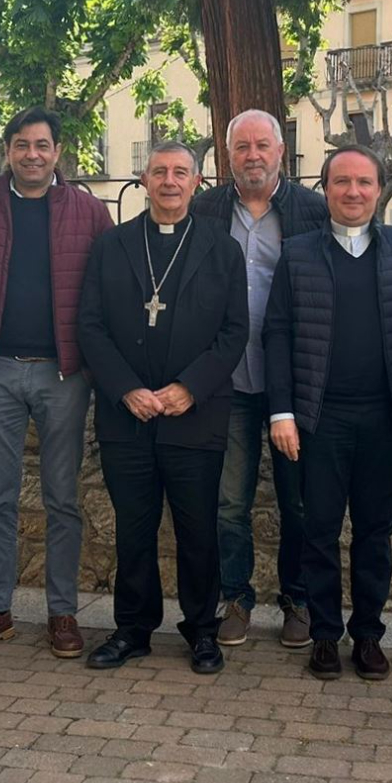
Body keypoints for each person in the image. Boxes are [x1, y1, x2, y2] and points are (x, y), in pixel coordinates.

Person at [76, 141, 248, 675]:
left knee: (198, 530)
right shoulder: (112, 246)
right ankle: (132, 629)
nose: (170, 181)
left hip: (194, 414)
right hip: (127, 414)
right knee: (133, 527)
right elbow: (91, 325)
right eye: (159, 172)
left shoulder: (222, 249)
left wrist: (189, 387)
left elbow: (234, 331)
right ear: (143, 181)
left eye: (180, 173)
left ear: (197, 183)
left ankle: (202, 630)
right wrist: (126, 388)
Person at [265, 145, 392, 683]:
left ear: (380, 188)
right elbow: (276, 334)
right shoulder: (297, 253)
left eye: (364, 182)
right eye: (342, 182)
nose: (354, 192)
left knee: (374, 532)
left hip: (387, 419)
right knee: (317, 530)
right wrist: (282, 412)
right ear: (326, 189)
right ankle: (323, 635)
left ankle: (367, 635)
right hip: (319, 419)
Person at [0, 107, 113, 659]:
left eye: (42, 145)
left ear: (58, 152)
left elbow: (107, 285)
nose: (32, 155)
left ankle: (62, 612)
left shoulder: (89, 211)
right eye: (21, 145)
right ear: (8, 150)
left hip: (62, 373)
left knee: (62, 498)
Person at [189, 109, 327, 647]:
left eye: (261, 146)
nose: (251, 155)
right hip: (227, 381)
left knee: (297, 501)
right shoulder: (204, 210)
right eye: (241, 146)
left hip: (292, 381)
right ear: (228, 155)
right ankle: (237, 598)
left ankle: (296, 598)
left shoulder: (312, 211)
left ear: (280, 152)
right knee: (229, 502)